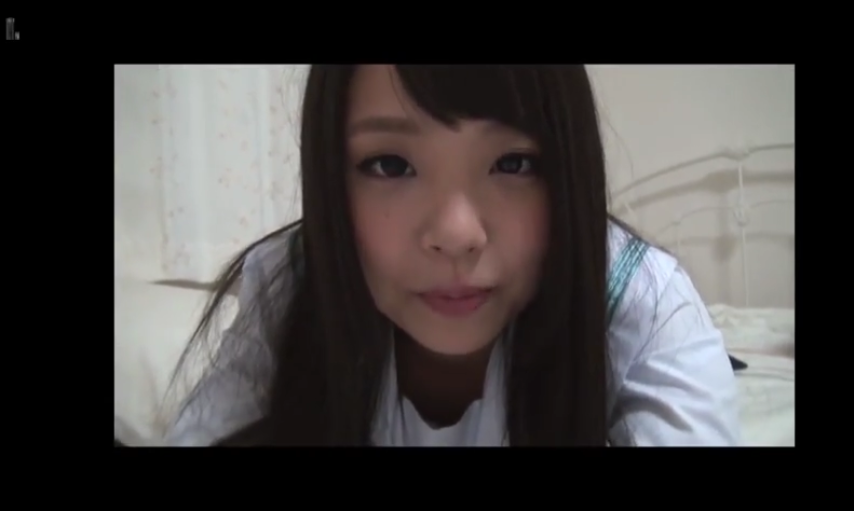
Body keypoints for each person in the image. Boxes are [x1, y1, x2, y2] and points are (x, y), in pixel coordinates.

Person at [164, 65, 740, 447]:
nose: (457, 234)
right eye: (390, 165)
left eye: (513, 163)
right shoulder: (293, 281)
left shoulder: (644, 300)